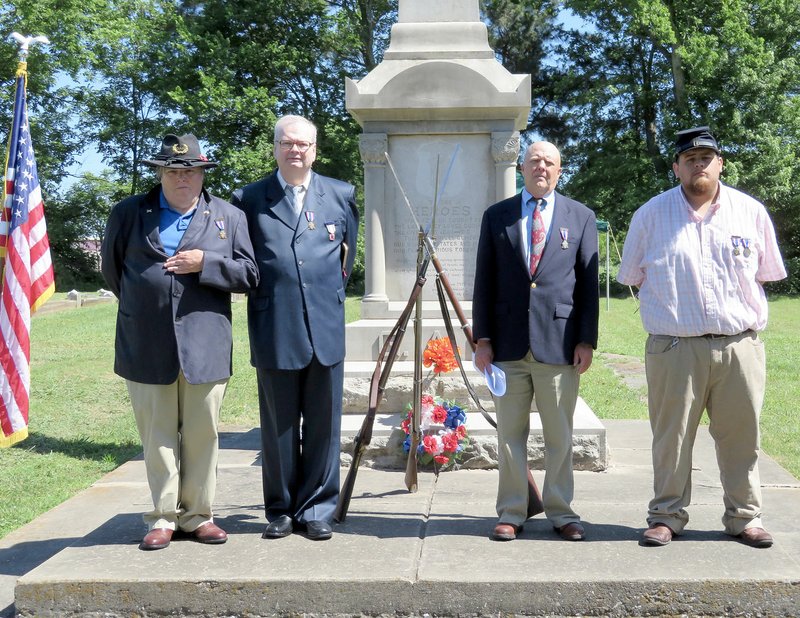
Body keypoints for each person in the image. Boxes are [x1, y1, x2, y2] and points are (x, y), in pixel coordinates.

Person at [617, 126, 787, 548]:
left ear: (720, 164)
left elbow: (765, 274)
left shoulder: (750, 212)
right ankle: (666, 515)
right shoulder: (650, 215)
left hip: (739, 345)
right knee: (671, 438)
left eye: (706, 157)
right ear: (676, 166)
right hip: (674, 347)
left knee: (742, 436)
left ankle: (745, 517)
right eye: (690, 158)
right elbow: (632, 277)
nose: (699, 164)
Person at [101, 133, 259, 551]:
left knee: (203, 434)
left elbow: (249, 275)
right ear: (160, 173)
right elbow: (113, 270)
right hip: (146, 341)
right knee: (158, 435)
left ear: (202, 174)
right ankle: (162, 517)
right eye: (172, 171)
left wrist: (206, 263)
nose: (181, 178)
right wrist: (148, 304)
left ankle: (198, 516)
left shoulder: (228, 216)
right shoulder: (130, 212)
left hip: (205, 343)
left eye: (189, 170)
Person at [231, 115, 359, 541]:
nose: (295, 151)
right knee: (279, 425)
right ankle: (282, 509)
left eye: (303, 144)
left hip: (325, 324)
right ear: (275, 148)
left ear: (315, 149)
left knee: (325, 424)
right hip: (274, 326)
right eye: (287, 143)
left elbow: (346, 259)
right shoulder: (249, 199)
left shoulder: (340, 195)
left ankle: (319, 509)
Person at [473, 141, 599, 542]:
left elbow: (587, 287)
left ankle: (561, 511)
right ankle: (512, 510)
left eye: (549, 162)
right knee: (509, 434)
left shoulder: (580, 216)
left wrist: (586, 340)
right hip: (508, 346)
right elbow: (484, 282)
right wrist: (483, 339)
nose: (541, 167)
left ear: (560, 171)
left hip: (560, 344)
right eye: (534, 161)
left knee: (560, 434)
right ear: (522, 169)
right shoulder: (497, 216)